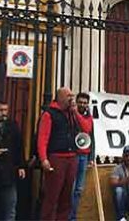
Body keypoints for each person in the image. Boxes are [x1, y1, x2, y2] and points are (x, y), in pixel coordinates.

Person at [37, 87, 82, 221]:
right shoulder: (49, 114)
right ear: (61, 97)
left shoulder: (71, 114)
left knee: (66, 196)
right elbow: (42, 138)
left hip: (72, 157)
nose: (71, 99)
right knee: (52, 195)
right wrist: (44, 158)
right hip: (57, 158)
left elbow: (85, 129)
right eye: (69, 96)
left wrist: (76, 113)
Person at [69, 92, 95, 221]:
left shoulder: (89, 118)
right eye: (81, 102)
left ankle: (73, 217)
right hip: (73, 155)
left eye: (85, 103)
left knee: (79, 189)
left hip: (84, 157)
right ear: (77, 102)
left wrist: (91, 157)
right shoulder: (71, 115)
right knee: (71, 188)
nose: (83, 105)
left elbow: (91, 136)